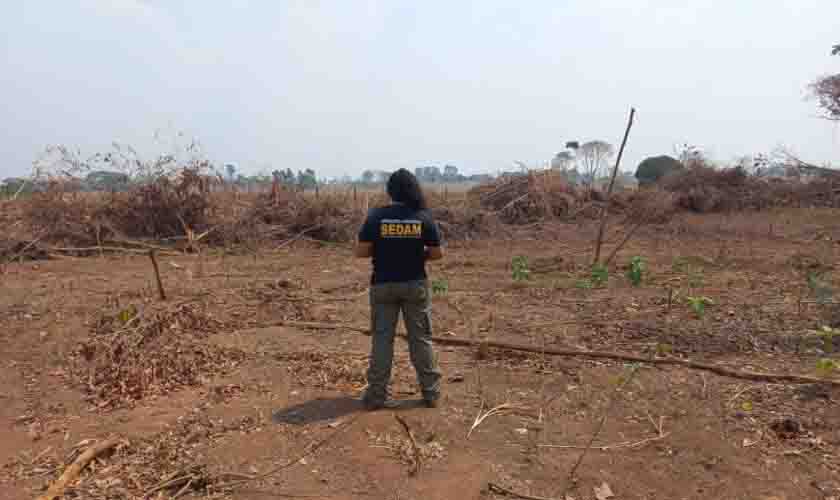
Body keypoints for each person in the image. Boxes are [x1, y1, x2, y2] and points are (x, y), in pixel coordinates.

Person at [355, 169, 443, 410]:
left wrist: (385, 251)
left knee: (382, 341)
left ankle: (375, 397)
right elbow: (437, 254)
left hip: (383, 286)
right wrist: (416, 253)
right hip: (415, 285)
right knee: (420, 339)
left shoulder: (376, 216)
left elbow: (361, 251)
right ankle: (431, 394)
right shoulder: (423, 217)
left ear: (390, 191)